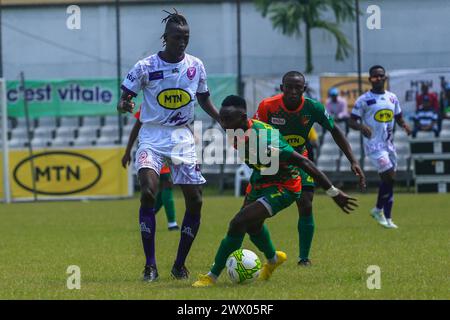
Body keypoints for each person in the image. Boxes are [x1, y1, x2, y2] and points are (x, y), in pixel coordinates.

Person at [192, 95, 357, 287]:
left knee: (238, 223)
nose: (223, 124)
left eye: (227, 120)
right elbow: (212, 109)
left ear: (243, 117)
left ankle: (212, 276)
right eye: (222, 119)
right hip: (260, 179)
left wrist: (334, 193)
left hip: (284, 186)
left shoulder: (266, 138)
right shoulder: (233, 126)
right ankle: (273, 260)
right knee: (253, 227)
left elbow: (304, 162)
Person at [117, 9, 220, 282]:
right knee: (149, 192)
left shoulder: (196, 66)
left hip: (182, 138)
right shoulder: (145, 66)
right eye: (177, 37)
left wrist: (223, 120)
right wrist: (125, 104)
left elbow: (204, 100)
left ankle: (179, 264)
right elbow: (124, 98)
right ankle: (150, 266)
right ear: (166, 38)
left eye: (186, 37)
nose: (182, 42)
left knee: (196, 201)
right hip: (152, 136)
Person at [253, 71, 365, 266]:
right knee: (249, 213)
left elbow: (335, 131)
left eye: (298, 87)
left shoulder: (313, 108)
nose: (294, 91)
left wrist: (353, 160)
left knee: (306, 204)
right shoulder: (267, 106)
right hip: (271, 161)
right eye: (289, 87)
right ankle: (270, 256)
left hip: (300, 159)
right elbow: (254, 132)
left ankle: (304, 258)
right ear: (282, 88)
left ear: (304, 89)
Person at [349, 65, 411, 229]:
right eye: (374, 76)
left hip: (388, 145)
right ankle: (377, 210)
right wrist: (362, 127)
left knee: (390, 181)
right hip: (374, 145)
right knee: (389, 176)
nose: (378, 78)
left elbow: (398, 116)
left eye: (380, 76)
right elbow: (351, 121)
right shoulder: (364, 99)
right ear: (370, 79)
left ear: (385, 78)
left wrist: (405, 125)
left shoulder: (392, 98)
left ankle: (388, 218)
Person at [122, 108, 179, 231]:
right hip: (153, 146)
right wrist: (127, 151)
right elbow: (137, 126)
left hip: (170, 145)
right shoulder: (147, 104)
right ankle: (172, 222)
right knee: (166, 182)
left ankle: (150, 216)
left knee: (166, 183)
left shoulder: (170, 99)